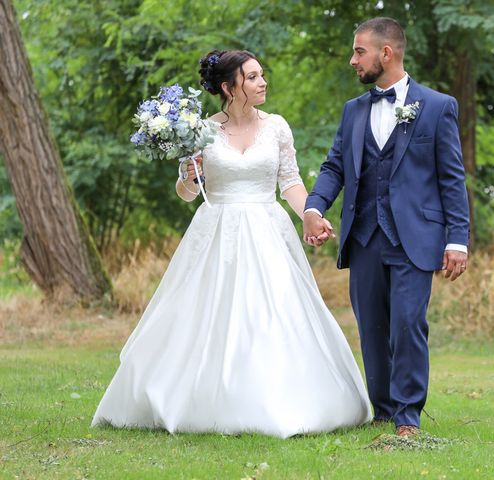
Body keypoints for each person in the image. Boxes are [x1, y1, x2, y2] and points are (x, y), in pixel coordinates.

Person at [92, 49, 372, 438]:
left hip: (267, 228)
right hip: (216, 229)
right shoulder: (200, 130)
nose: (263, 82)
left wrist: (311, 213)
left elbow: (288, 181)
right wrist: (190, 175)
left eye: (261, 75)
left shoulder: (277, 127)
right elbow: (187, 194)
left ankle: (284, 399)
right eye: (253, 77)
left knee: (274, 312)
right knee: (205, 312)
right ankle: (199, 398)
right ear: (228, 87)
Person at [303, 17, 470, 437]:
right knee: (372, 327)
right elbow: (334, 167)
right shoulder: (353, 111)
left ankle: (408, 416)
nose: (352, 60)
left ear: (386, 53)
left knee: (408, 322)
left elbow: (452, 178)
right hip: (364, 238)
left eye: (359, 51)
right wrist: (313, 206)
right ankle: (383, 410)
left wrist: (457, 240)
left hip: (415, 236)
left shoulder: (437, 106)